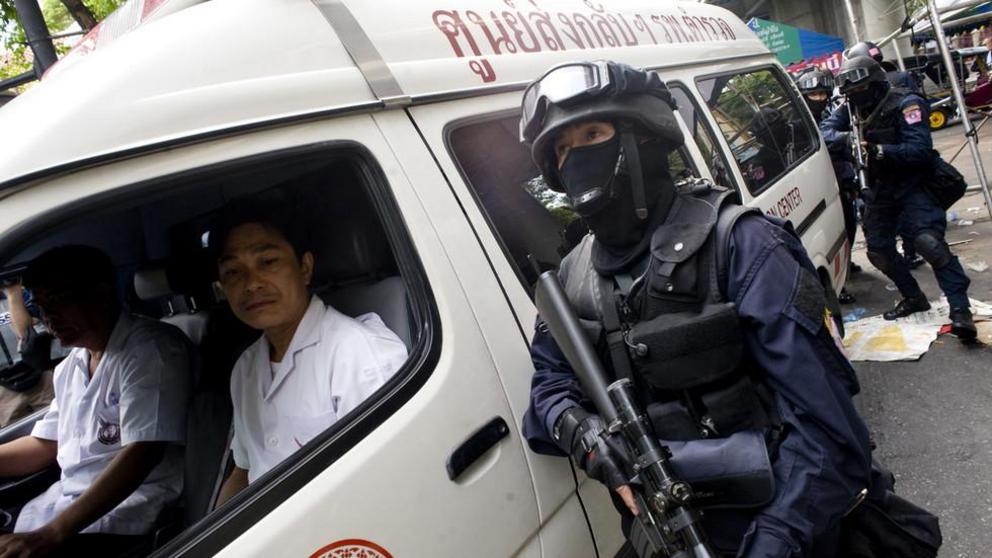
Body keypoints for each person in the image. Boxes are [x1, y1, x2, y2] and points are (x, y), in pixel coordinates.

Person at [519, 61, 872, 556]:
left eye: (592, 134)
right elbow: (548, 391)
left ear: (645, 136)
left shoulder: (744, 245)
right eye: (562, 148)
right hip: (663, 530)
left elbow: (831, 435)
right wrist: (589, 439)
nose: (575, 158)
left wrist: (776, 539)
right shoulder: (572, 278)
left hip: (785, 523)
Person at [211, 201, 408, 505]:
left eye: (268, 262)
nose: (251, 284)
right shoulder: (246, 368)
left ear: (304, 267)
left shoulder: (359, 353)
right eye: (234, 271)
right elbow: (244, 471)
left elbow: (387, 484)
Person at [0, 245, 191, 557]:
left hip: (126, 517)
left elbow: (143, 452)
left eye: (59, 301)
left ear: (101, 294)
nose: (49, 318)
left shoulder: (151, 352)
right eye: (42, 306)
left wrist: (52, 534)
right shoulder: (70, 367)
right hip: (67, 504)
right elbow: (46, 446)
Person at [821, 56, 977, 338]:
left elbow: (920, 149)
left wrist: (880, 150)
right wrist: (846, 140)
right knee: (878, 251)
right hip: (879, 188)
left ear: (875, 84)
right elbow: (825, 131)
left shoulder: (907, 103)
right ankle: (913, 296)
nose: (855, 97)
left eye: (859, 90)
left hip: (914, 184)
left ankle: (960, 309)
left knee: (929, 244)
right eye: (850, 93)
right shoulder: (851, 108)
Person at [796, 67, 861, 304]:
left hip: (841, 178)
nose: (820, 99)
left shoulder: (829, 114)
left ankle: (846, 261)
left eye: (823, 94)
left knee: (849, 226)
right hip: (820, 182)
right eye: (814, 95)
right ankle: (838, 283)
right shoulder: (800, 123)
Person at [0, 281, 55, 427]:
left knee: (54, 422)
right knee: (10, 434)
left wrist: (13, 294)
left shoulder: (17, 289)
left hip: (38, 372)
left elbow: (26, 333)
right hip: (4, 389)